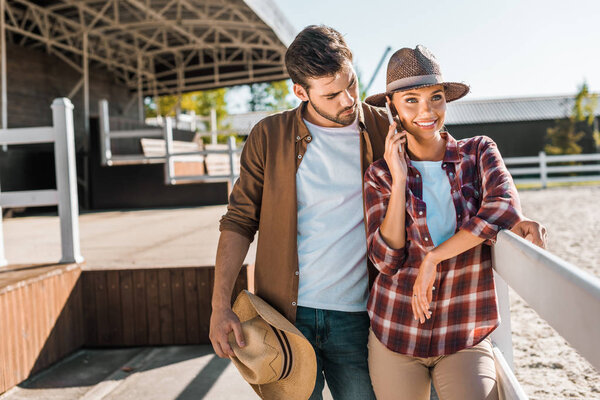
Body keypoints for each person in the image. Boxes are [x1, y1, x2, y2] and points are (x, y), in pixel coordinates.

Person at [210, 26, 546, 399]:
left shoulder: (384, 129)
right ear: (301, 92)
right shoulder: (268, 136)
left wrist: (515, 218)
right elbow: (239, 221)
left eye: (351, 84)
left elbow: (452, 171)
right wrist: (220, 304)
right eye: (332, 94)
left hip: (360, 315)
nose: (348, 99)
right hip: (285, 316)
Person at [363, 45, 547, 400]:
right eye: (411, 100)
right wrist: (400, 180)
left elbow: (503, 208)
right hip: (396, 331)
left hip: (464, 331)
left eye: (435, 97)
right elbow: (386, 260)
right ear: (392, 107)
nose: (427, 111)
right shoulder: (379, 175)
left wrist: (434, 258)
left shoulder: (477, 152)